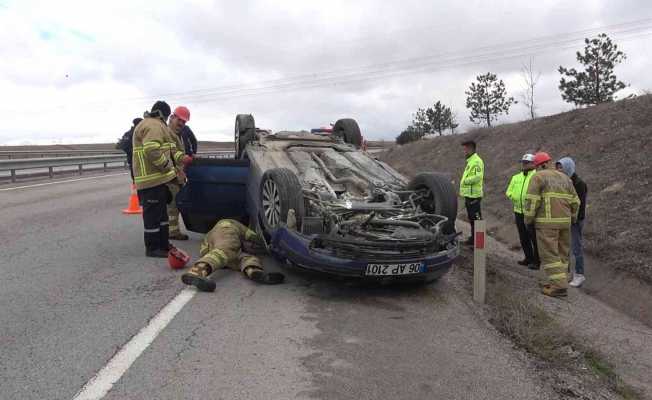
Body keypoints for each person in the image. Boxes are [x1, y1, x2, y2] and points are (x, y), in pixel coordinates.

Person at [132, 101, 190, 258]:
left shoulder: (158, 126)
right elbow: (151, 149)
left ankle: (163, 245)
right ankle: (152, 248)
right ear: (166, 115)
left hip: (158, 180)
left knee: (161, 216)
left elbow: (170, 150)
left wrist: (181, 160)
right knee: (152, 217)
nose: (181, 124)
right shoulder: (153, 125)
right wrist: (166, 166)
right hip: (150, 180)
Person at [524, 152, 580, 298]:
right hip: (565, 224)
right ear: (548, 162)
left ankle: (559, 287)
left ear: (538, 165)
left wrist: (528, 219)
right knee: (562, 254)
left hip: (546, 224)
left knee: (549, 255)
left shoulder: (538, 177)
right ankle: (558, 281)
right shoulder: (565, 179)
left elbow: (532, 201)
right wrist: (572, 217)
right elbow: (576, 202)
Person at [181, 219, 285, 292]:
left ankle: (254, 272)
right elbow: (254, 237)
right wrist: (271, 244)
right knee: (227, 249)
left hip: (215, 248)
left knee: (245, 257)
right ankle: (195, 273)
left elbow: (204, 252)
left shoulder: (209, 236)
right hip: (226, 234)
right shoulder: (232, 223)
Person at [556, 157, 588, 288]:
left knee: (576, 247)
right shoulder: (562, 182)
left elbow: (580, 205)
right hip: (564, 219)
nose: (559, 170)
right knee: (564, 246)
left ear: (568, 168)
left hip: (575, 220)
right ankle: (566, 272)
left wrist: (574, 218)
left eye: (561, 167)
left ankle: (579, 275)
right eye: (557, 167)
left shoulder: (579, 184)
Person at [505, 153, 539, 268]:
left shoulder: (537, 176)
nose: (524, 165)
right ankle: (528, 258)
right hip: (518, 211)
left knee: (534, 237)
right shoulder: (516, 177)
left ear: (533, 164)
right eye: (523, 162)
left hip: (531, 212)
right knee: (523, 237)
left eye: (527, 162)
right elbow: (509, 191)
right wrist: (513, 197)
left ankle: (536, 261)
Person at [166, 106, 192, 240]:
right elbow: (173, 153)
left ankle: (171, 230)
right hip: (170, 175)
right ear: (172, 117)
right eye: (179, 120)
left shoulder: (176, 134)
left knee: (174, 204)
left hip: (176, 175)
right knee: (173, 205)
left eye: (184, 122)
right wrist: (183, 158)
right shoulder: (167, 133)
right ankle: (173, 231)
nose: (181, 124)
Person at [459, 140, 484, 245]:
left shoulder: (477, 161)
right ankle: (473, 239)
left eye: (465, 149)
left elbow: (478, 177)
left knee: (477, 221)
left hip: (474, 196)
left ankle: (479, 244)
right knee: (472, 219)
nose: (464, 151)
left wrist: (465, 181)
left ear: (471, 149)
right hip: (469, 195)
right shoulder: (470, 161)